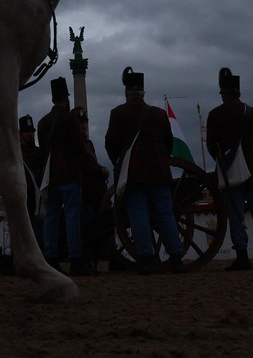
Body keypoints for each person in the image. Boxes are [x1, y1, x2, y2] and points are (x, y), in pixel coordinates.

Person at [104, 67, 185, 275]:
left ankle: (147, 258)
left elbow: (110, 144)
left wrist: (120, 163)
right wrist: (161, 159)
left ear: (126, 93)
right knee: (165, 213)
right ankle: (176, 257)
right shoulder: (158, 114)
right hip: (159, 172)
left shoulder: (118, 113)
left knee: (138, 214)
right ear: (142, 92)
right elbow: (168, 143)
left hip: (133, 174)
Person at [206, 67, 253, 271]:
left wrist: (226, 162)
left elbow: (211, 147)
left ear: (223, 93)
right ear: (238, 91)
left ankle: (242, 256)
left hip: (230, 171)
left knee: (235, 214)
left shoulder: (215, 115)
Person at [37, 77, 89, 276]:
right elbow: (78, 147)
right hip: (70, 175)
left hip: (51, 177)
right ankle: (75, 258)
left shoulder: (42, 122)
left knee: (51, 218)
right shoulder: (70, 119)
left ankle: (51, 257)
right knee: (71, 217)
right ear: (66, 99)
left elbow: (43, 150)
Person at [75, 106, 110, 275]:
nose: (83, 126)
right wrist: (100, 171)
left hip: (97, 192)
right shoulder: (75, 143)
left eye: (85, 123)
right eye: (80, 123)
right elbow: (84, 165)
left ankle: (98, 261)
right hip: (86, 192)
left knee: (99, 229)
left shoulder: (88, 143)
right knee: (88, 228)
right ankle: (87, 260)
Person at [18, 114, 45, 245]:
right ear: (20, 134)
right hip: (22, 198)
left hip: (37, 199)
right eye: (26, 131)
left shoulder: (39, 152)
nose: (30, 134)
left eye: (31, 131)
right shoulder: (16, 154)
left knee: (38, 235)